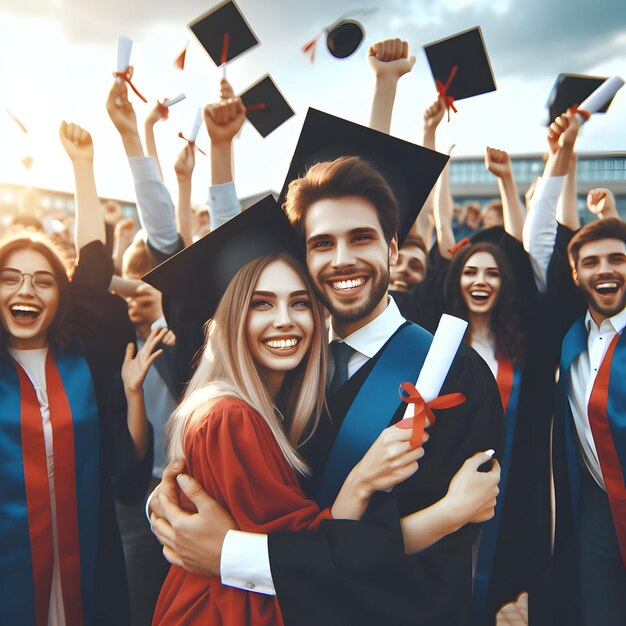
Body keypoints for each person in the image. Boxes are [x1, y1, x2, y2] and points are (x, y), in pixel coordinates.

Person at [151, 154, 504, 626]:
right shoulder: (285, 365)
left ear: (393, 248)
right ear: (305, 258)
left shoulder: (450, 374)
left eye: (361, 237)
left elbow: (430, 563)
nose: (342, 259)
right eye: (322, 243)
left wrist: (232, 554)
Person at [0, 230, 164, 626]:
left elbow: (127, 463)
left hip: (86, 559)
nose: (26, 291)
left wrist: (133, 392)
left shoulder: (81, 368)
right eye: (9, 278)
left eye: (43, 281)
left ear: (61, 298)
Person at [552, 217, 626, 625]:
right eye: (592, 261)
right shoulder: (569, 341)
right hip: (596, 509)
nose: (605, 269)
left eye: (618, 258)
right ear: (576, 274)